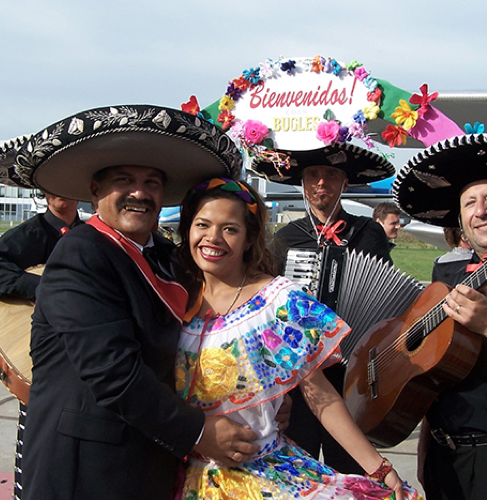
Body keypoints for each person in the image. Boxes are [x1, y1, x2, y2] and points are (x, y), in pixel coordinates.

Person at [0, 105, 251, 499]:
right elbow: (112, 372)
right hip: (86, 470)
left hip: (148, 461)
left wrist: (251, 401)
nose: (140, 193)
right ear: (95, 191)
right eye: (125, 180)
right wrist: (202, 432)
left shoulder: (170, 258)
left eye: (152, 183)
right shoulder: (81, 253)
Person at [174, 177, 417, 499]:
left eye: (230, 229)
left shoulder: (278, 302)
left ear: (249, 239)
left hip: (259, 477)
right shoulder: (173, 296)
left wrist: (378, 467)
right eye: (202, 224)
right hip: (182, 474)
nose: (213, 238)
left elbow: (321, 396)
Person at [257, 142, 394, 474]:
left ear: (344, 183)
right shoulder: (286, 238)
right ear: (302, 183)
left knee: (352, 471)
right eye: (313, 175)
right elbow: (271, 308)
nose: (321, 183)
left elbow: (386, 293)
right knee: (301, 471)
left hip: (352, 375)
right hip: (301, 379)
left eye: (331, 175)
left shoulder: (369, 233)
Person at [395, 133, 487, 499]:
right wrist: (425, 445)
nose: (481, 210)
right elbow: (437, 367)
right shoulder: (447, 275)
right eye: (470, 203)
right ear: (460, 220)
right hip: (443, 453)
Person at [0, 188, 80, 499]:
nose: (64, 193)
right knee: (38, 454)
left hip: (81, 360)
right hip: (42, 361)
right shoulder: (33, 232)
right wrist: (40, 286)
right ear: (44, 192)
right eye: (54, 186)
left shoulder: (90, 235)